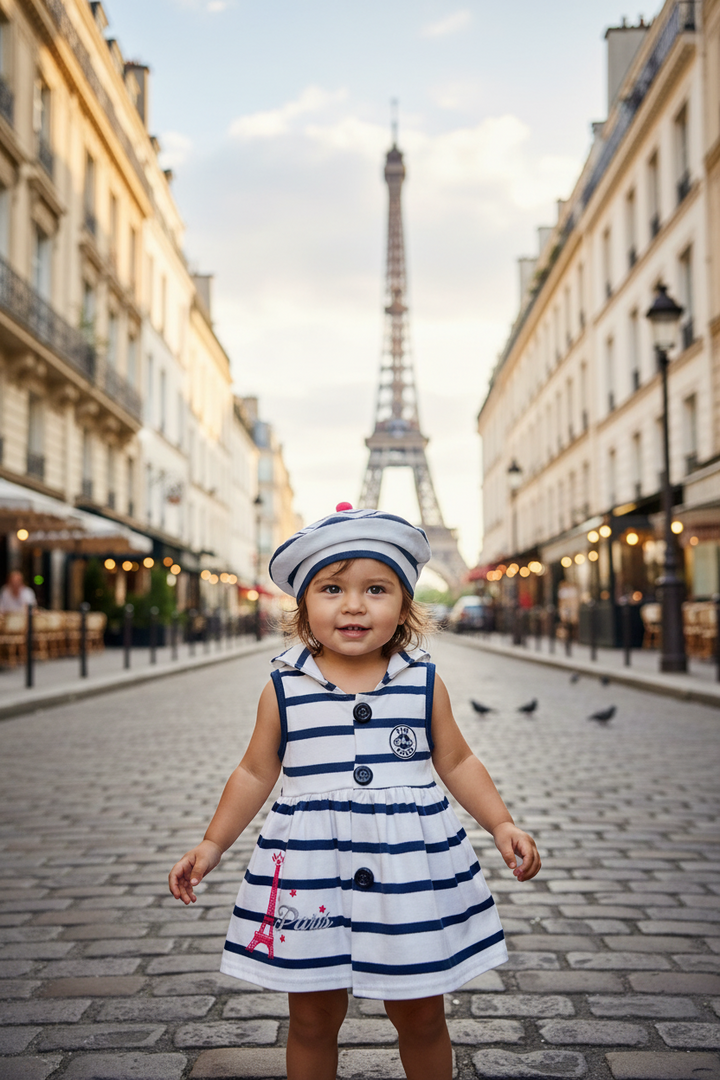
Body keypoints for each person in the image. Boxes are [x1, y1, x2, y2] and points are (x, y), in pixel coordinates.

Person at [169, 504, 541, 1080]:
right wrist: (212, 845)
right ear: (303, 605)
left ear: (404, 605)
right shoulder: (283, 687)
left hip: (408, 872)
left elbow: (457, 759)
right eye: (332, 588)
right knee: (313, 1019)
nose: (353, 604)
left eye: (375, 588)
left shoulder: (423, 681)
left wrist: (502, 823)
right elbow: (252, 772)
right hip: (313, 873)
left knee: (420, 1017)